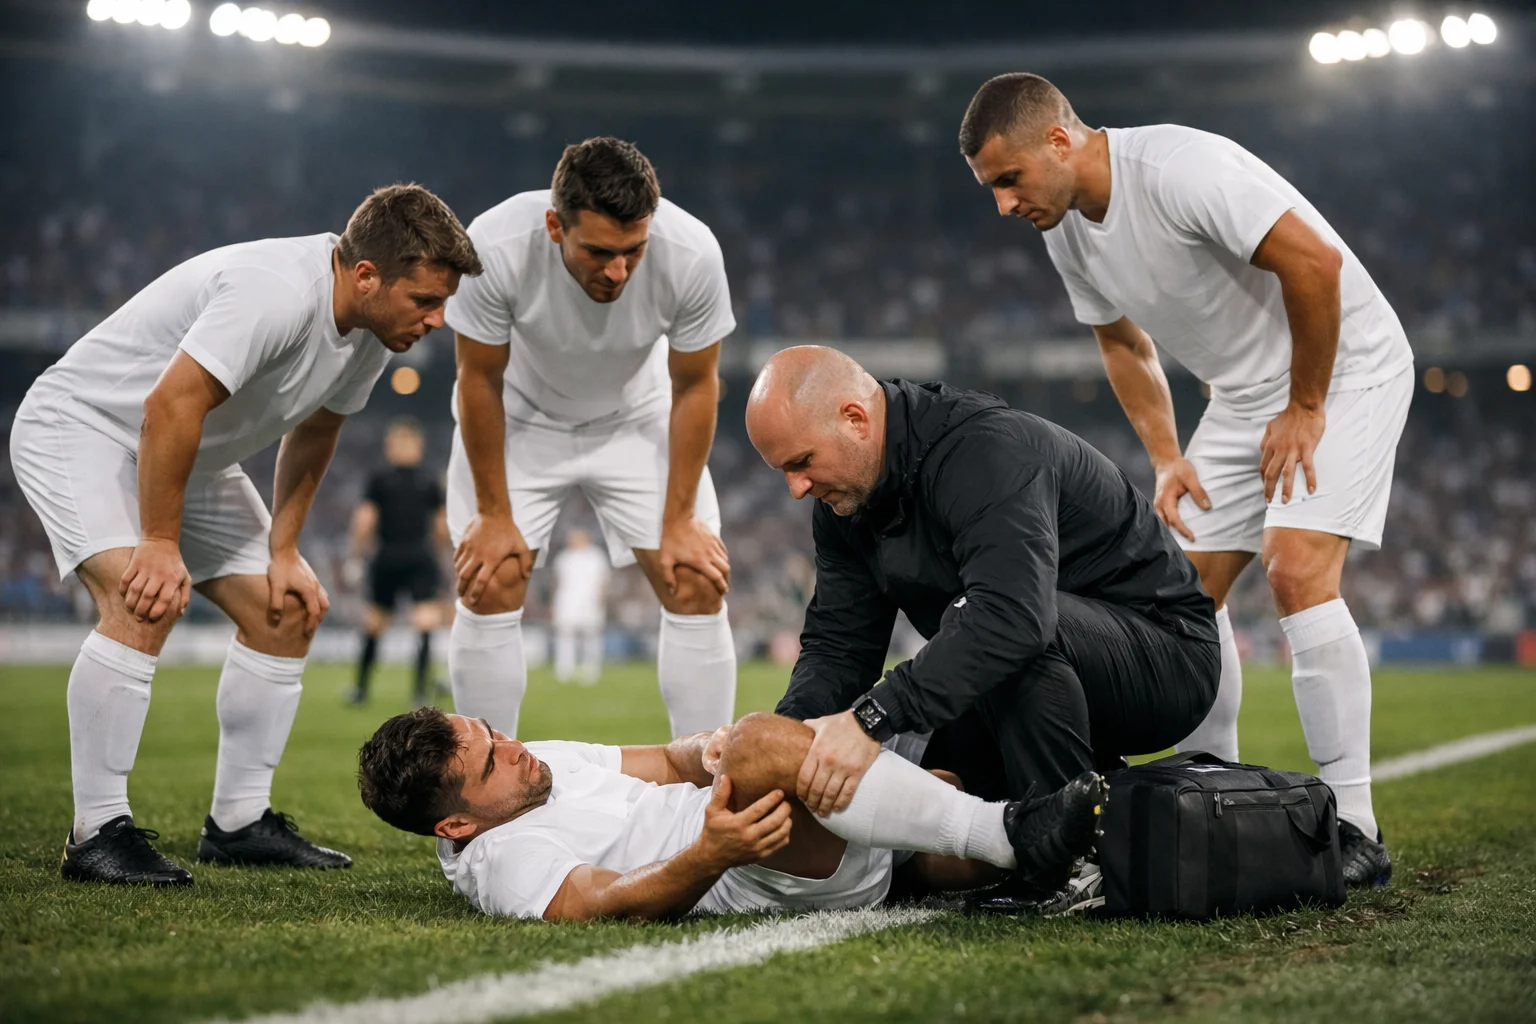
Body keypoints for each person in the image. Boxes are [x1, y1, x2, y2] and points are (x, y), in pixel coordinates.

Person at [958, 73, 1413, 887]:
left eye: (1008, 180)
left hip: (1345, 371)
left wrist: (1306, 405)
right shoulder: (1064, 230)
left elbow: (1314, 261)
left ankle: (1355, 825)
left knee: (1296, 566)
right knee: (1179, 600)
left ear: (1059, 140)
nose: (1002, 206)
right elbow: (1124, 346)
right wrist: (1170, 456)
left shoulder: (1178, 170)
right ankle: (1218, 781)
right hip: (1241, 399)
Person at [8, 184, 482, 885]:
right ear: (365, 276)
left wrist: (284, 550)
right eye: (425, 300)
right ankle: (96, 833)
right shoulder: (273, 291)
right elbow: (172, 403)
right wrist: (160, 543)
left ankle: (237, 823)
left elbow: (316, 430)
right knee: (145, 597)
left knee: (285, 609)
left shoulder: (374, 333)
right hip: (85, 430)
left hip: (190, 453)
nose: (438, 320)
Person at [745, 346, 1219, 909]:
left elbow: (1014, 617)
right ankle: (1088, 814)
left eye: (801, 462)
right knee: (924, 772)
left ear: (855, 418)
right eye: (784, 472)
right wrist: (785, 746)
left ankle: (1076, 864)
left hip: (1165, 656)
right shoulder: (846, 504)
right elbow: (840, 647)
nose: (796, 488)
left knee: (996, 624)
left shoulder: (983, 450)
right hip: (1033, 667)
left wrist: (870, 718)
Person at [445, 136, 738, 740]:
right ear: (555, 225)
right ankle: (483, 798)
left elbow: (695, 387)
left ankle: (709, 789)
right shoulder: (494, 245)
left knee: (696, 579)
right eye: (600, 251)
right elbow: (479, 380)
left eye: (634, 251)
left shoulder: (691, 253)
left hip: (638, 415)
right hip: (523, 416)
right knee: (491, 575)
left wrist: (680, 518)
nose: (618, 271)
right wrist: (495, 514)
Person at [355, 706, 1104, 921]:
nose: (514, 749)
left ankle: (1097, 833)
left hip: (777, 836)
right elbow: (595, 906)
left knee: (940, 787)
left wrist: (704, 751)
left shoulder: (536, 764)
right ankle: (1011, 836)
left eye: (495, 733)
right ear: (454, 825)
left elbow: (665, 762)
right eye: (491, 762)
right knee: (762, 743)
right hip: (757, 864)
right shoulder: (497, 860)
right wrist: (712, 851)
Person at [345, 418, 449, 706]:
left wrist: (355, 556)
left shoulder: (379, 478)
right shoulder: (429, 480)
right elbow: (441, 526)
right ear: (419, 446)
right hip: (419, 555)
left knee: (375, 622)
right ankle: (419, 692)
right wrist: (438, 554)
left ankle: (361, 690)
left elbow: (365, 521)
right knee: (425, 621)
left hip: (387, 555)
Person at [550, 528, 611, 685]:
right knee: (565, 635)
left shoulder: (596, 556)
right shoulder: (564, 557)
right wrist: (554, 603)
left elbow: (603, 581)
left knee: (591, 636)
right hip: (567, 601)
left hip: (590, 602)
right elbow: (558, 582)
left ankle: (590, 670)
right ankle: (565, 669)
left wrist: (601, 600)